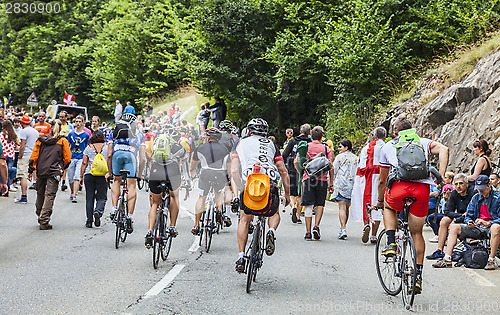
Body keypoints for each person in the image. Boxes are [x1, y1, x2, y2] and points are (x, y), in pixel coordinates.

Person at [376, 118, 449, 294]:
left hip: (399, 188)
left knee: (388, 207)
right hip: (422, 190)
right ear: (413, 131)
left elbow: (382, 180)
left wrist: (379, 200)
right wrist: (442, 175)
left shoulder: (386, 147)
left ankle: (391, 244)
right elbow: (444, 149)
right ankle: (417, 277)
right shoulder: (422, 142)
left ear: (394, 133)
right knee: (417, 233)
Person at [232, 118, 290, 273]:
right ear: (265, 133)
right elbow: (283, 171)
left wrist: (238, 189)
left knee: (245, 219)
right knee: (274, 212)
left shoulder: (239, 144)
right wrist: (288, 196)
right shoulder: (272, 145)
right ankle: (271, 231)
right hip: (268, 181)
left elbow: (233, 171)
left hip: (249, 181)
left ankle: (241, 256)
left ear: (249, 131)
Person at [432, 175, 500, 270]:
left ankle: (491, 259)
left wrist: (488, 223)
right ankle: (447, 258)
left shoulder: (498, 197)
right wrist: (469, 221)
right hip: (477, 227)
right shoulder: (476, 197)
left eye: (483, 189)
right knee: (454, 227)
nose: (480, 191)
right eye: (479, 189)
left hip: (490, 227)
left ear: (489, 185)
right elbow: (468, 215)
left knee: (496, 227)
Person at [145, 129, 188, 247]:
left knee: (155, 203)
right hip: (172, 173)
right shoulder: (179, 148)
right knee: (174, 196)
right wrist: (188, 182)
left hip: (155, 172)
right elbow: (185, 166)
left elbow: (148, 158)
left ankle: (150, 231)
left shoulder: (155, 144)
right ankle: (172, 227)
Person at [28, 119, 71, 230]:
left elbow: (34, 155)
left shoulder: (41, 140)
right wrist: (62, 167)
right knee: (49, 195)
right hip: (54, 171)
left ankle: (40, 213)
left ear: (49, 128)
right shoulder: (62, 141)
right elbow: (67, 158)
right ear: (60, 128)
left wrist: (31, 168)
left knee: (40, 193)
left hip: (41, 170)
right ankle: (44, 219)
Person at [107, 113, 145, 234]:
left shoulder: (114, 132)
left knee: (117, 180)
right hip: (131, 156)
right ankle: (129, 216)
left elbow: (108, 154)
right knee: (131, 185)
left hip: (117, 155)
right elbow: (143, 158)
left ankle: (113, 209)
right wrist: (140, 175)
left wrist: (110, 173)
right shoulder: (139, 134)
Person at [294, 126, 334, 240]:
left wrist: (301, 173)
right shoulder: (326, 149)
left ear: (311, 136)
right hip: (322, 180)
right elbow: (331, 166)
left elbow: (296, 161)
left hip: (308, 179)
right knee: (320, 204)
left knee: (308, 204)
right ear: (322, 137)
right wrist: (331, 182)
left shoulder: (306, 146)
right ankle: (316, 226)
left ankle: (308, 232)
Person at [189, 127, 230, 235]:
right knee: (218, 193)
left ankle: (196, 225)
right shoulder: (225, 149)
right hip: (220, 174)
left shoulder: (200, 147)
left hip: (206, 173)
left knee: (202, 197)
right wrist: (229, 178)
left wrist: (192, 175)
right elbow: (228, 166)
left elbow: (193, 166)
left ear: (208, 138)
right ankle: (219, 210)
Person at [350, 126, 387, 244]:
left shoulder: (366, 148)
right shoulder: (386, 147)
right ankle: (374, 235)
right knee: (378, 202)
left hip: (367, 178)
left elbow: (361, 166)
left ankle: (366, 224)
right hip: (381, 177)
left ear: (374, 136)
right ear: (385, 136)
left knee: (366, 201)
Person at [426, 173, 475, 259]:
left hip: (470, 218)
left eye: (461, 183)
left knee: (452, 222)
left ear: (467, 184)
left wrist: (457, 219)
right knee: (444, 220)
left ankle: (449, 253)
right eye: (456, 184)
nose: (458, 186)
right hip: (459, 215)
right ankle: (439, 250)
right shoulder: (455, 193)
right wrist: (458, 216)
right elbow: (448, 212)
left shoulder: (472, 193)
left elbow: (472, 213)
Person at [282, 124, 311, 224]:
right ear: (309, 133)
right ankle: (298, 217)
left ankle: (293, 206)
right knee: (300, 194)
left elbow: (284, 154)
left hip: (292, 168)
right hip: (305, 170)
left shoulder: (293, 141)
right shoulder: (310, 142)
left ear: (300, 131)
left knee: (292, 192)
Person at [80, 130, 108, 228]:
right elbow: (109, 160)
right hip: (102, 175)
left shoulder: (88, 148)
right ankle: (98, 211)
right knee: (102, 197)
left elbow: (84, 163)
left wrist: (81, 176)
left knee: (89, 198)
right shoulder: (107, 148)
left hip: (89, 174)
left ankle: (89, 221)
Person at [332, 139, 358, 240]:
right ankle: (343, 228)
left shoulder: (339, 157)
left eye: (340, 147)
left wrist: (331, 183)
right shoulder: (356, 158)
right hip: (352, 185)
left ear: (346, 147)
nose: (338, 149)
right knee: (347, 207)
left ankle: (343, 228)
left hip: (341, 184)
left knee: (342, 207)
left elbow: (334, 170)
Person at [16, 115, 40, 204]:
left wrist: (20, 156)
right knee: (32, 173)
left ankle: (24, 196)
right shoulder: (35, 131)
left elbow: (22, 145)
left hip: (25, 155)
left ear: (22, 123)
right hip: (33, 155)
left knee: (23, 176)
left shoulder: (23, 131)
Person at [67, 115, 90, 203]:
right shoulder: (71, 134)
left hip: (81, 157)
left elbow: (87, 147)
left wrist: (87, 159)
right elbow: (68, 145)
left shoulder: (86, 135)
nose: (78, 123)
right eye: (76, 121)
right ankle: (72, 191)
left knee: (77, 176)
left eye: (80, 121)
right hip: (72, 157)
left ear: (83, 122)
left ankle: (75, 195)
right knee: (70, 178)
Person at [1, 120, 18, 195]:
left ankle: (3, 189)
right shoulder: (13, 134)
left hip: (3, 155)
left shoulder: (2, 134)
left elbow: (0, 143)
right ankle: (7, 188)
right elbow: (16, 146)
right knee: (7, 172)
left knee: (3, 172)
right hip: (11, 155)